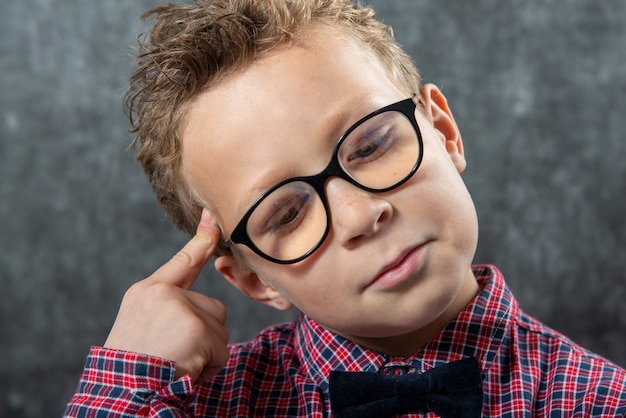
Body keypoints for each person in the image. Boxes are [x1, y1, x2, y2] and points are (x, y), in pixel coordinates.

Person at [64, 0, 626, 416]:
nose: (361, 217)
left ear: (445, 132)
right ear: (255, 281)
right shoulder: (187, 406)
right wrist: (127, 388)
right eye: (286, 214)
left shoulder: (602, 401)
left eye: (372, 145)